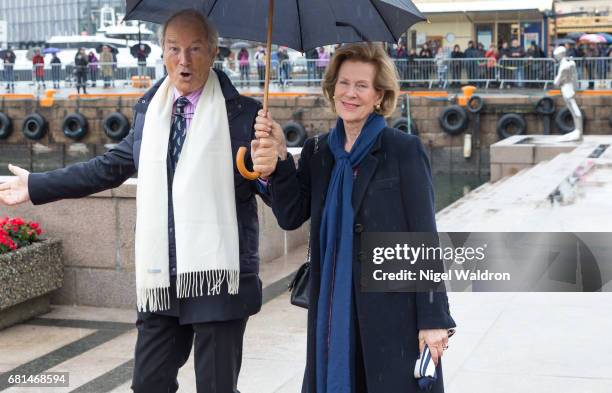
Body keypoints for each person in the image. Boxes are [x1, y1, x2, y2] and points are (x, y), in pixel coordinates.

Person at [0, 10, 271, 393]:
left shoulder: (244, 117)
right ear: (162, 52)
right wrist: (39, 185)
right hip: (162, 281)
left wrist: (269, 168)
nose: (184, 60)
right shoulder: (152, 111)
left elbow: (282, 202)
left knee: (216, 388)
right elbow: (109, 167)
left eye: (195, 49)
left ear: (213, 52)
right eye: (174, 48)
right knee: (147, 384)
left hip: (219, 280)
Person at [251, 42, 456, 393]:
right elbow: (290, 215)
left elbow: (424, 238)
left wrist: (434, 320)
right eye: (344, 83)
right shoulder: (318, 152)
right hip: (332, 309)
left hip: (392, 311)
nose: (350, 93)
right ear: (332, 89)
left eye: (362, 86)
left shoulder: (403, 150)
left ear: (379, 95)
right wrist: (279, 160)